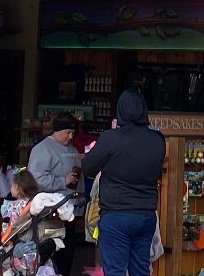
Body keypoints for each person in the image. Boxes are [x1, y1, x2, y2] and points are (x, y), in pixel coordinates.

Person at [82, 88, 166, 276]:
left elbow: (88, 168)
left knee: (115, 271)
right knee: (141, 271)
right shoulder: (157, 140)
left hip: (116, 215)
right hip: (146, 215)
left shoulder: (112, 138)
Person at [28, 114, 81, 276]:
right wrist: (62, 181)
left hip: (70, 210)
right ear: (56, 130)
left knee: (68, 251)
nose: (71, 137)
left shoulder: (72, 149)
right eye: (67, 132)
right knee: (51, 251)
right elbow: (36, 179)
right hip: (50, 213)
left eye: (73, 133)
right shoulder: (42, 149)